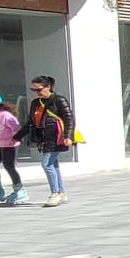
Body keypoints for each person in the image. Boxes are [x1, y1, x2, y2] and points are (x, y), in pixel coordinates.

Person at [20, 75, 73, 207]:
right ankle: (61, 193)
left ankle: (55, 193)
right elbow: (30, 122)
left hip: (56, 137)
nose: (37, 93)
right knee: (53, 165)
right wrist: (17, 136)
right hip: (44, 138)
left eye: (39, 89)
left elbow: (69, 119)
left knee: (47, 165)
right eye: (33, 90)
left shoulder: (59, 100)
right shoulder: (35, 103)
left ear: (48, 87)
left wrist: (68, 136)